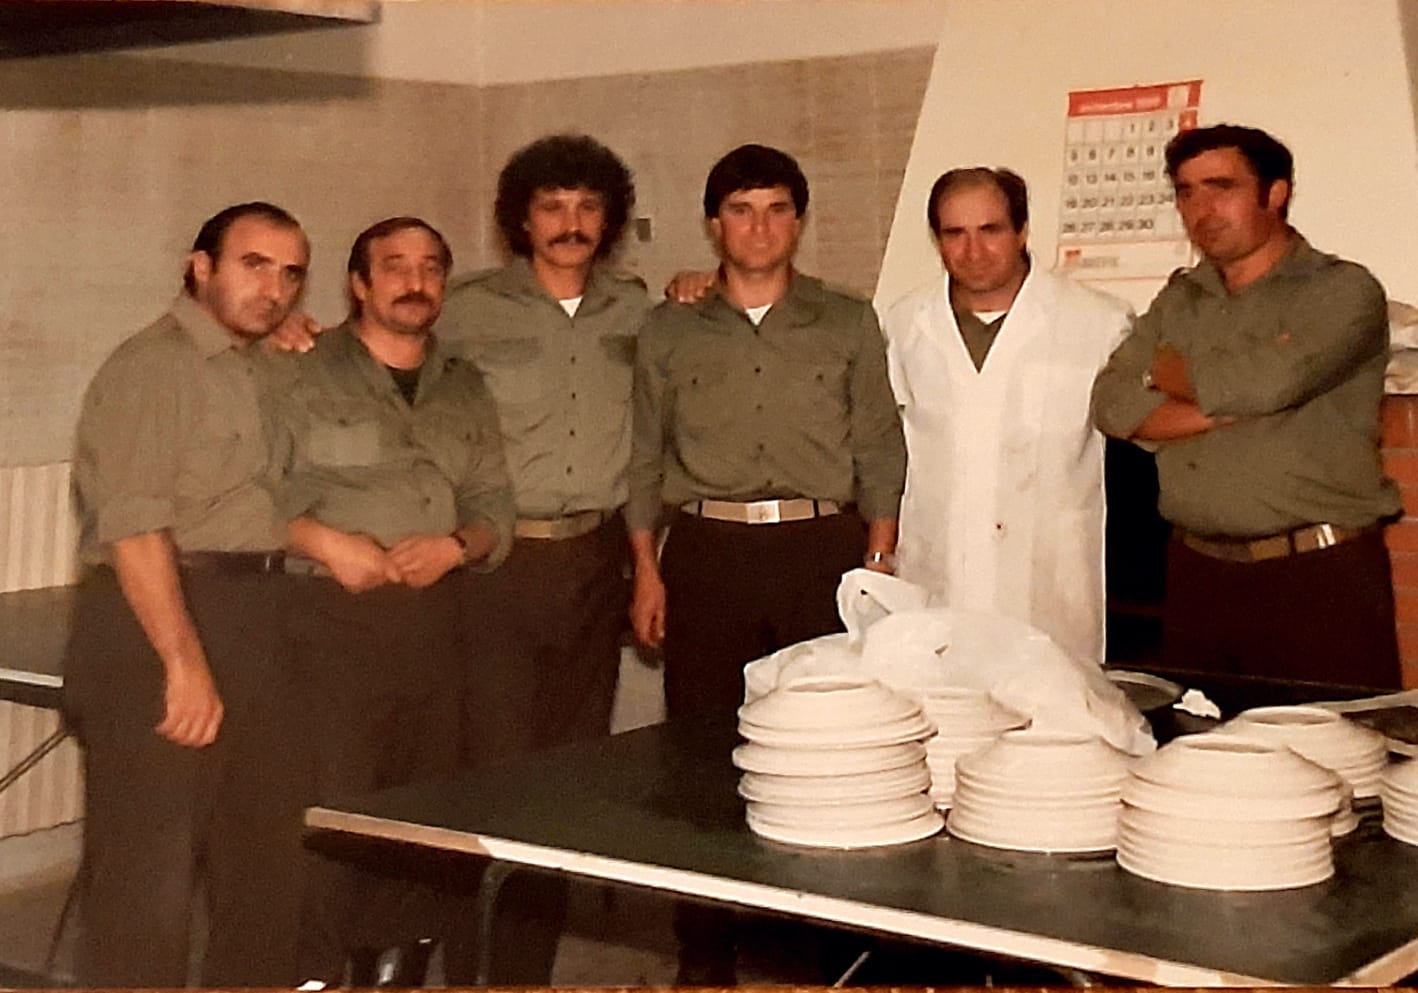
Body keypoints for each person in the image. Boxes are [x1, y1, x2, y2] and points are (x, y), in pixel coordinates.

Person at [627, 143, 905, 983]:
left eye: (777, 209)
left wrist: (878, 557)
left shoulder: (846, 318)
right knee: (701, 756)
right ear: (715, 224)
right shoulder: (670, 326)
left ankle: (826, 954)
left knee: (825, 754)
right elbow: (644, 454)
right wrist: (646, 568)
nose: (760, 226)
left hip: (820, 550)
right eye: (742, 210)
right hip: (706, 552)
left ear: (799, 221)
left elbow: (879, 444)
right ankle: (704, 956)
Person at [63, 202, 310, 987]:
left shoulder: (257, 365)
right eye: (254, 265)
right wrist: (182, 661)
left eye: (291, 273)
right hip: (158, 617)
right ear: (199, 266)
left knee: (263, 864)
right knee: (149, 884)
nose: (275, 288)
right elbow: (134, 528)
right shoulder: (152, 366)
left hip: (254, 616)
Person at [272, 216, 513, 983]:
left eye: (431, 267)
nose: (416, 281)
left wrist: (458, 545)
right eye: (396, 265)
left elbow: (494, 504)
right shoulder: (299, 372)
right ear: (359, 282)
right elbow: (246, 494)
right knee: (331, 807)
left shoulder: (465, 384)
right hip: (329, 623)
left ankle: (396, 963)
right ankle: (313, 970)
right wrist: (325, 542)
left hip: (436, 624)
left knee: (421, 806)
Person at [432, 134, 649, 985]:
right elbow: (376, 352)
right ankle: (472, 969)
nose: (571, 223)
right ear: (520, 220)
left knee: (567, 776)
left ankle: (527, 972)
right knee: (490, 775)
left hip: (594, 564)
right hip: (496, 566)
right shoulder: (464, 309)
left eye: (588, 206)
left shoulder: (638, 311)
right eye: (552, 206)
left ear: (610, 219)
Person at [1091, 124, 1401, 688]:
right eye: (1186, 192)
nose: (1201, 209)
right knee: (1200, 738)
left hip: (1315, 575)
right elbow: (1110, 401)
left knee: (1337, 741)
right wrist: (1220, 407)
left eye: (1221, 187)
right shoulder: (1181, 297)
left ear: (1275, 193)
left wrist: (1167, 376)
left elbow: (1269, 384)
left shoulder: (1342, 290)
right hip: (1196, 576)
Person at [882, 168, 1132, 664]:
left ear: (1021, 231)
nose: (973, 250)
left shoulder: (1099, 323)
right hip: (938, 580)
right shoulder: (905, 324)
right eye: (955, 233)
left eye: (990, 230)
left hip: (1049, 589)